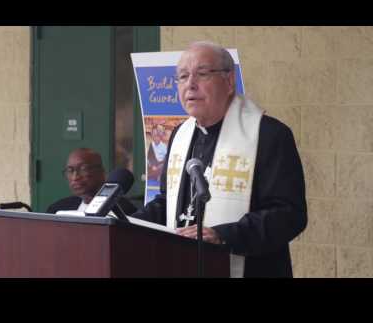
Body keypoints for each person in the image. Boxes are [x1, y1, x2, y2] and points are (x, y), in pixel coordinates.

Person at [133, 41, 307, 278]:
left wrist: (224, 236)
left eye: (202, 74)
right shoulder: (179, 135)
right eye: (183, 77)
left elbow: (288, 214)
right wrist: (125, 222)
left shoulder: (268, 135)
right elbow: (167, 202)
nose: (190, 84)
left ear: (229, 81)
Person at [46, 148, 137, 216]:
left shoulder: (123, 209)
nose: (75, 177)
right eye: (70, 170)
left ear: (102, 173)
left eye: (83, 169)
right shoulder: (57, 209)